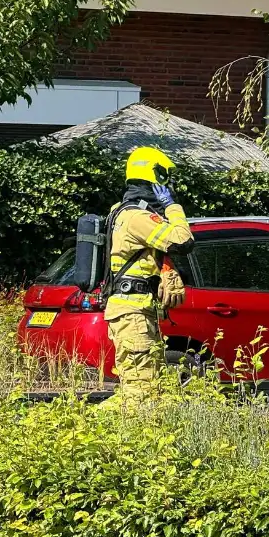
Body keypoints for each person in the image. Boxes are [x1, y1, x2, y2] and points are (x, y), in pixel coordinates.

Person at [103, 146, 194, 407]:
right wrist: (172, 206)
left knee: (150, 387)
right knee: (141, 391)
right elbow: (183, 240)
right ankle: (96, 425)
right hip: (133, 312)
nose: (167, 186)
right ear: (154, 177)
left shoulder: (121, 210)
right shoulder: (137, 217)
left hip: (135, 309)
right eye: (165, 179)